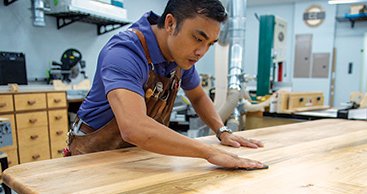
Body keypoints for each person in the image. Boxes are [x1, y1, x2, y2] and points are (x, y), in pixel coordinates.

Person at [68, 0, 266, 169]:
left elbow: (197, 96)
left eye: (210, 44)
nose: (201, 51)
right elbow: (134, 127)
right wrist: (208, 152)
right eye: (198, 39)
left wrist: (222, 131)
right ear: (170, 23)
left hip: (139, 155)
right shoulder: (124, 53)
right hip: (94, 156)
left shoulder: (180, 57)